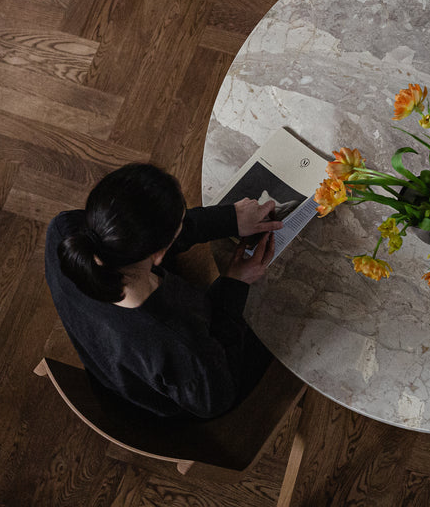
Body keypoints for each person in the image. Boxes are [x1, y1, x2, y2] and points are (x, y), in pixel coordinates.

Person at [44, 163, 283, 420]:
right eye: (181, 224)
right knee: (278, 317)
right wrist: (235, 283)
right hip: (185, 399)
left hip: (113, 365)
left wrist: (229, 218)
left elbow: (137, 235)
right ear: (159, 254)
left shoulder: (64, 231)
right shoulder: (177, 341)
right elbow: (218, 400)